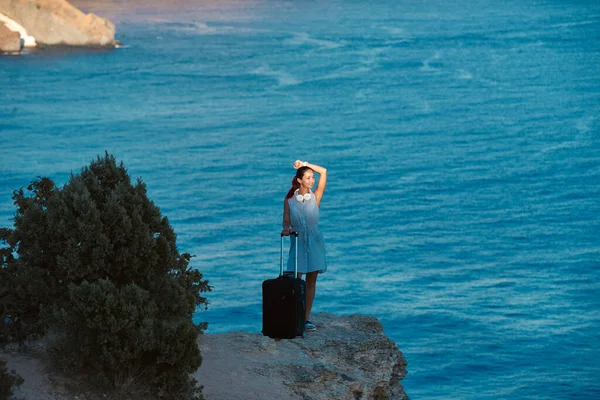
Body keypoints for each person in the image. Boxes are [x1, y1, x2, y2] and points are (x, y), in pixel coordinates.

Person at [281, 159, 327, 332]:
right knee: (296, 279)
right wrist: (286, 229)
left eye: (312, 178)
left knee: (311, 280)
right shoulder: (289, 200)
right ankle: (294, 315)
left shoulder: (315, 197)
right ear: (299, 180)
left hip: (314, 240)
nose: (312, 180)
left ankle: (306, 318)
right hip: (298, 239)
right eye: (308, 178)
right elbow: (285, 221)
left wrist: (305, 164)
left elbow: (324, 171)